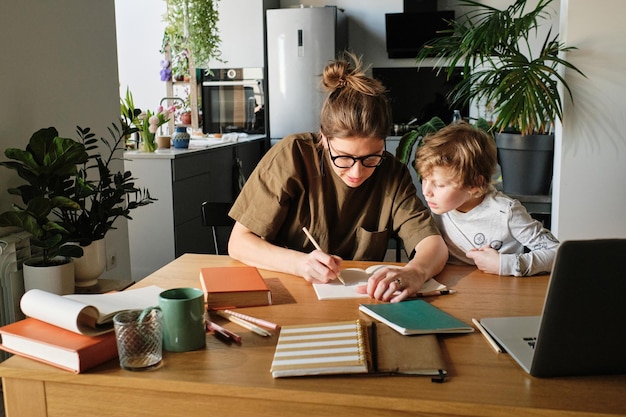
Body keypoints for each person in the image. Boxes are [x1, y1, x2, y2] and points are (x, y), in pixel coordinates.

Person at [228, 53, 448, 302]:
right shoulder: (293, 154)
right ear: (324, 138)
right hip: (288, 294)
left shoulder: (392, 172)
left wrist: (415, 271)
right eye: (343, 158)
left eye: (371, 157)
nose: (357, 172)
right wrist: (300, 264)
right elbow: (239, 243)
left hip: (360, 300)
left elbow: (433, 244)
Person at [415, 122, 559, 276]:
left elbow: (557, 253)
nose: (426, 191)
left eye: (439, 184)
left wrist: (504, 264)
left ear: (474, 185)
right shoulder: (439, 207)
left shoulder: (506, 212)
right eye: (424, 179)